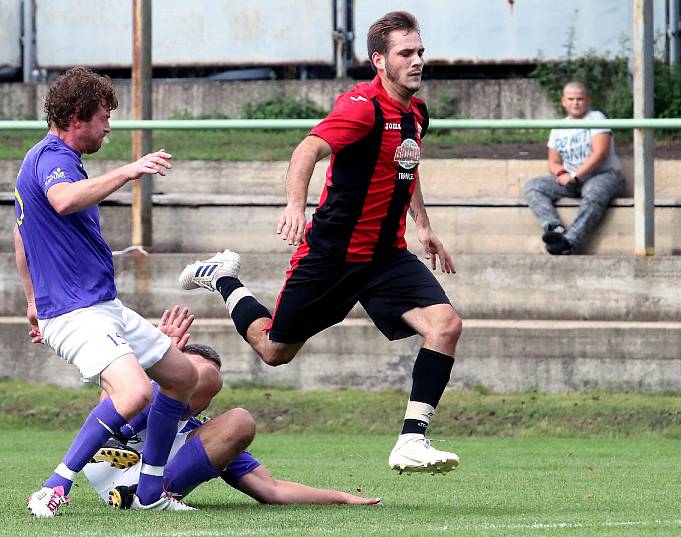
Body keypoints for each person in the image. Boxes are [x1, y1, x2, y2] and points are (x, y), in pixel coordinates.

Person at [178, 11, 462, 475]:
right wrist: (295, 206)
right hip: (332, 257)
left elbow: (405, 168)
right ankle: (224, 279)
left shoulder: (417, 114)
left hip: (386, 257)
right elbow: (307, 149)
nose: (417, 62)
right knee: (274, 351)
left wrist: (424, 226)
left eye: (420, 52)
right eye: (405, 54)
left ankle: (412, 440)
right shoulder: (361, 107)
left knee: (446, 325)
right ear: (379, 60)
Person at [16, 67, 198, 516]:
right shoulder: (54, 159)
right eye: (103, 117)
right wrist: (130, 171)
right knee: (134, 393)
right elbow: (62, 200)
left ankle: (151, 490)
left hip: (100, 306)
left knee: (182, 376)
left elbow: (21, 236)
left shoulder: (44, 160)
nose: (109, 127)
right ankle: (55, 486)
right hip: (78, 313)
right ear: (77, 117)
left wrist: (31, 301)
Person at [84, 309, 381, 508]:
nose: (199, 385)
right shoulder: (144, 381)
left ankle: (149, 495)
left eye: (206, 388)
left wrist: (341, 498)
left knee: (240, 420)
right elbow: (108, 396)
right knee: (134, 389)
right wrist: (147, 355)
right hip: (104, 453)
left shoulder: (201, 431)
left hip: (136, 491)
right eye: (190, 373)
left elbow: (272, 490)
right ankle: (120, 439)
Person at [523, 81, 626, 255]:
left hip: (604, 176)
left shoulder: (596, 118)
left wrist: (576, 176)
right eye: (571, 99)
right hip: (573, 181)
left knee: (594, 191)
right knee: (533, 186)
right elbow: (553, 162)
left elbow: (600, 154)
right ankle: (555, 229)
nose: (575, 103)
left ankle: (569, 242)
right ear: (563, 101)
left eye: (580, 98)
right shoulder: (559, 126)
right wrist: (563, 174)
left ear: (588, 100)